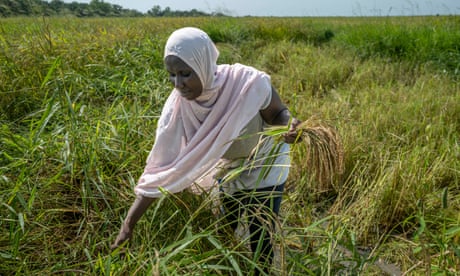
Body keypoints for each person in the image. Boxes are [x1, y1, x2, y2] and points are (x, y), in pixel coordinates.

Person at [111, 27, 301, 275]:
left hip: (265, 165)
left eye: (185, 74)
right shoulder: (178, 107)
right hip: (229, 169)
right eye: (171, 75)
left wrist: (289, 124)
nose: (177, 84)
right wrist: (128, 226)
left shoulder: (247, 84)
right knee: (225, 228)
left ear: (202, 65)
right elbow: (161, 171)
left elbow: (277, 113)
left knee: (261, 235)